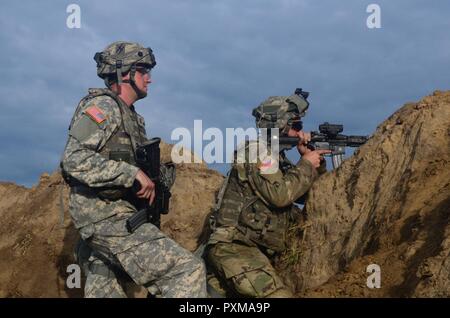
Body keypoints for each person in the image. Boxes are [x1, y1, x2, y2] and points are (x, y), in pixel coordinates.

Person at [61, 41, 207, 298]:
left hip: (111, 217)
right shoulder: (103, 107)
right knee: (187, 270)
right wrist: (131, 174)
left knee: (106, 282)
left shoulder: (131, 117)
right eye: (143, 71)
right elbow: (73, 159)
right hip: (106, 216)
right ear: (124, 73)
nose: (149, 79)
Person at [204, 90, 329, 297]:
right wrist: (306, 165)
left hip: (256, 251)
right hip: (235, 247)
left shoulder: (278, 161)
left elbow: (305, 196)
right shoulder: (256, 151)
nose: (300, 132)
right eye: (296, 126)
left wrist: (316, 165)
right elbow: (280, 196)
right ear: (280, 126)